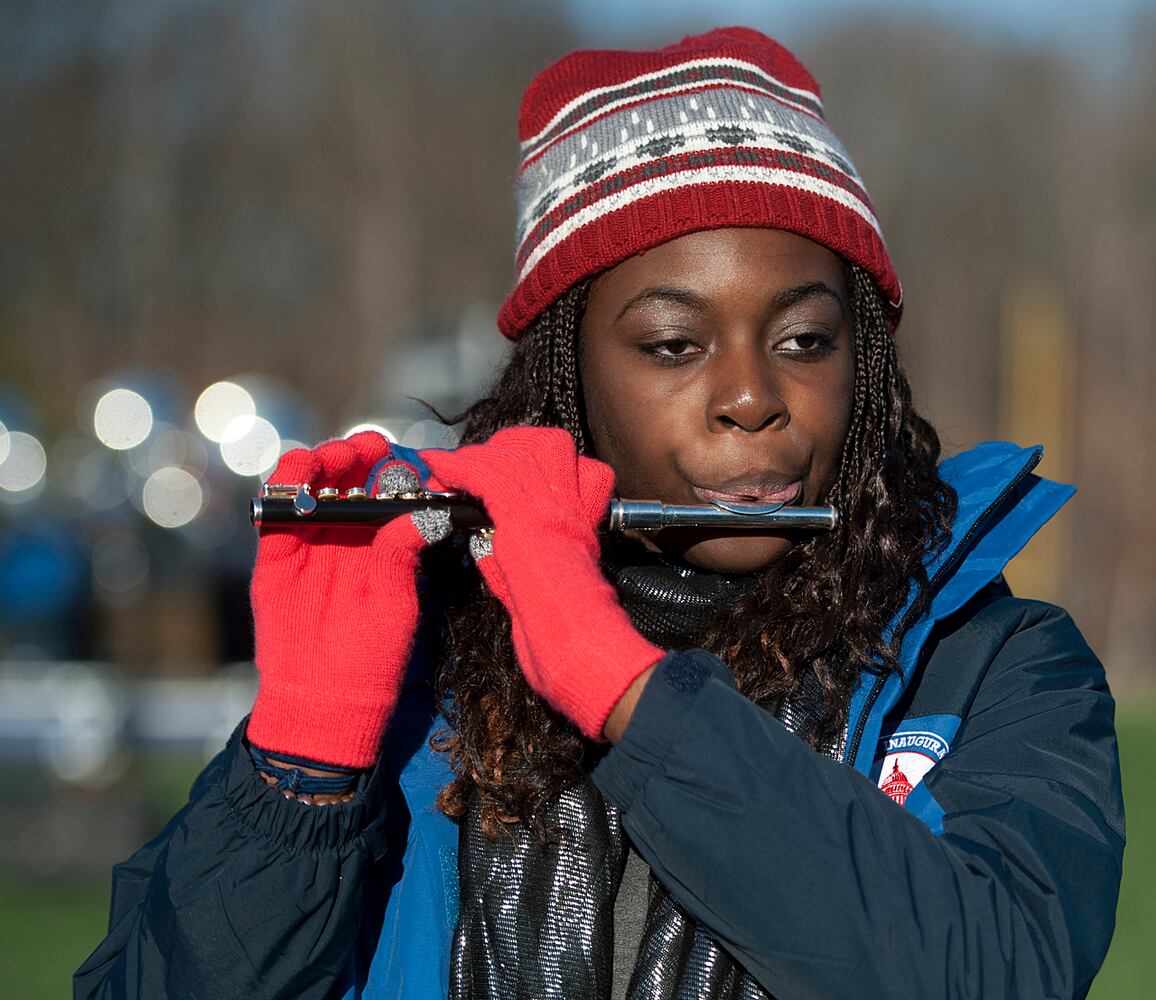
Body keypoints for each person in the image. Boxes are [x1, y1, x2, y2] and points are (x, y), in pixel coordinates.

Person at [75, 26, 1123, 1000]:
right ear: (565, 382)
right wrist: (302, 763)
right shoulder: (423, 672)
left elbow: (999, 967)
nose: (752, 396)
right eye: (673, 345)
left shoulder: (997, 666)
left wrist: (622, 685)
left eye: (805, 340)